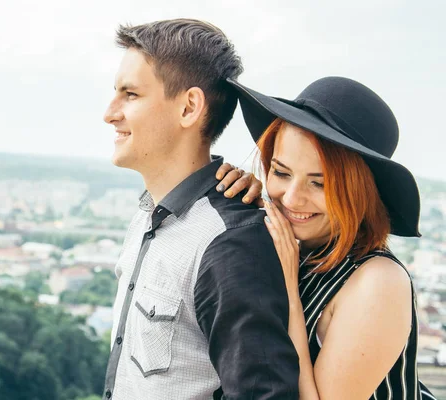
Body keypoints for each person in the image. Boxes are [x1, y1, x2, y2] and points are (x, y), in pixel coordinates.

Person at [101, 19, 299, 400]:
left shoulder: (230, 243)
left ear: (190, 107)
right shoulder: (147, 214)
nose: (110, 113)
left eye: (131, 95)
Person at [216, 76, 436, 399]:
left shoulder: (377, 281)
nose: (291, 198)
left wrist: (289, 290)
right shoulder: (294, 245)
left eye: (319, 184)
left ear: (360, 193)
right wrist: (239, 203)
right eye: (280, 172)